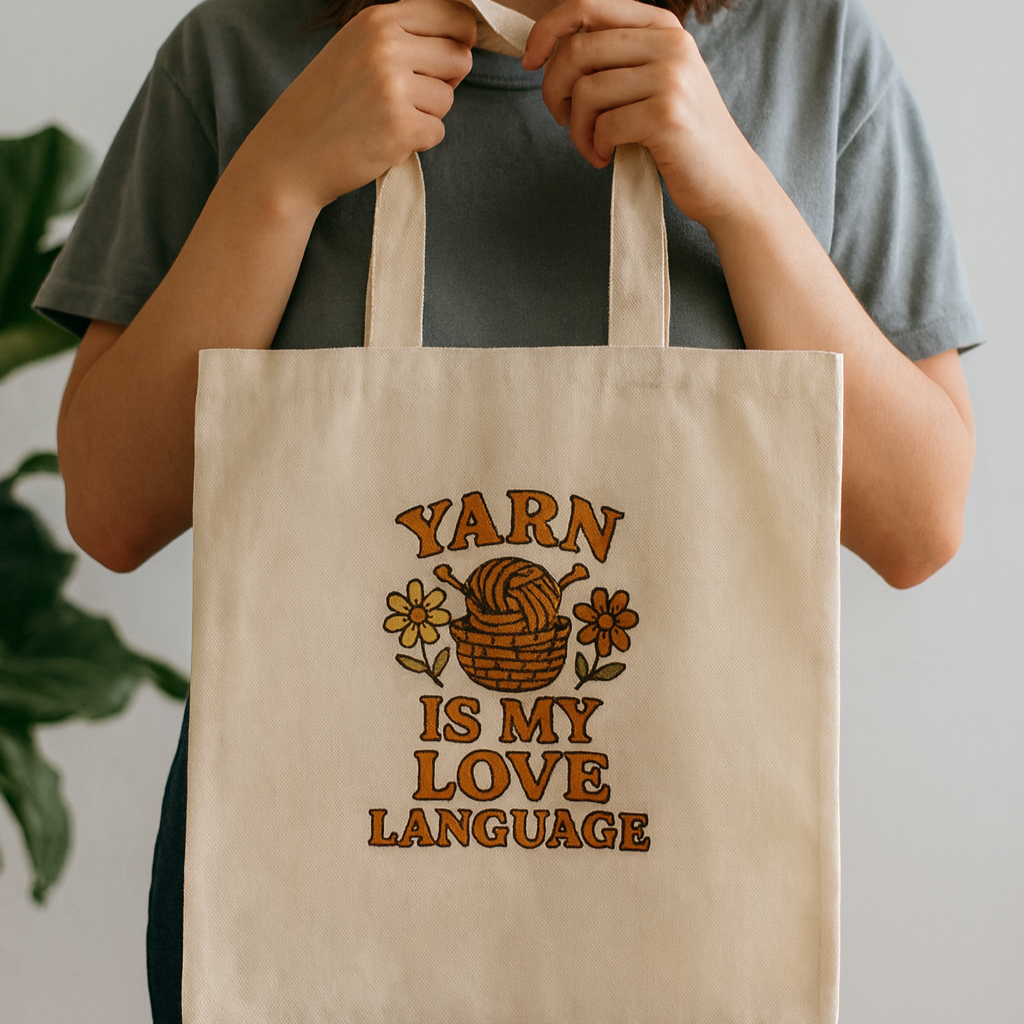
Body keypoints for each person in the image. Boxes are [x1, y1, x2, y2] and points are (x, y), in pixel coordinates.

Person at [34, 0, 981, 1019]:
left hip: (674, 898)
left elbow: (915, 521)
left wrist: (743, 196)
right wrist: (279, 180)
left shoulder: (809, 51)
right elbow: (112, 506)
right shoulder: (240, 52)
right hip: (302, 888)